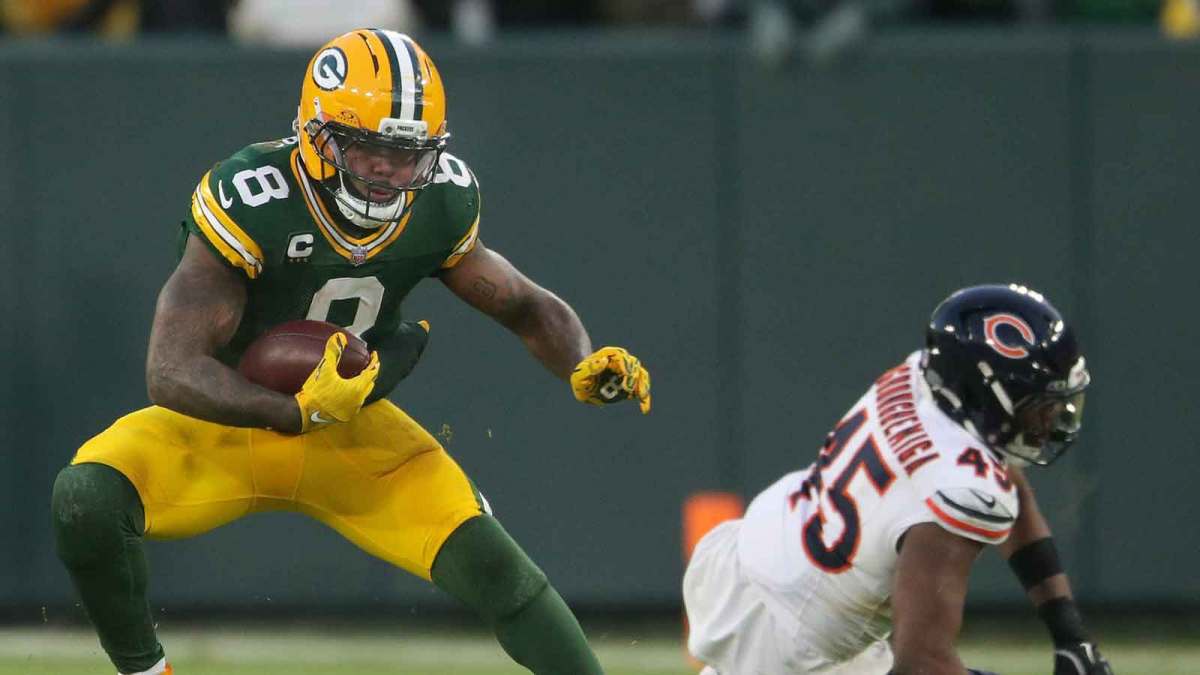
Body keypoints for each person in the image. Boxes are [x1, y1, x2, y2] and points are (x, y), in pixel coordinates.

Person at [51, 29, 650, 675]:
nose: (390, 173)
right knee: (86, 496)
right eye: (369, 150)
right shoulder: (253, 197)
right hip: (226, 421)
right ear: (316, 136)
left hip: (349, 424)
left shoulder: (443, 200)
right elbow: (169, 370)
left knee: (499, 569)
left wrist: (579, 361)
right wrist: (291, 413)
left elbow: (524, 304)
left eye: (408, 154)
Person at [683, 283, 1113, 675]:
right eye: (1039, 403)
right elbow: (920, 664)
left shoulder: (923, 379)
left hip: (752, 549)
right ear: (991, 394)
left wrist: (1069, 634)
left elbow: (998, 474)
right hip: (797, 644)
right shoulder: (960, 490)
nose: (1052, 418)